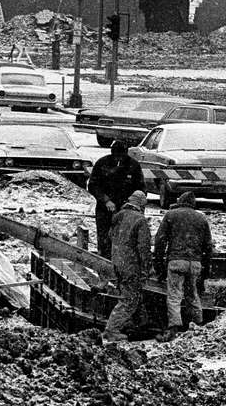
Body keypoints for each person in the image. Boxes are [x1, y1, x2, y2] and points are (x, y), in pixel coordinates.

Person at [153, 191, 213, 341]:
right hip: (195, 263)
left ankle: (174, 328)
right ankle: (199, 326)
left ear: (180, 201)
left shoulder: (171, 215)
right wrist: (205, 270)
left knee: (174, 296)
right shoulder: (201, 218)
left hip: (176, 261)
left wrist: (159, 265)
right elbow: (208, 246)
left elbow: (160, 241)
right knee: (193, 295)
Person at [103, 190, 152, 343]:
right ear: (141, 205)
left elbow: (110, 237)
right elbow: (143, 248)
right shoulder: (140, 220)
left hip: (117, 262)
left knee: (130, 294)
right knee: (129, 299)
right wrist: (146, 269)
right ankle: (111, 330)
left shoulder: (118, 215)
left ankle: (136, 325)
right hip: (131, 265)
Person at [86, 141, 145, 259]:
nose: (119, 158)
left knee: (126, 238)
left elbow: (141, 188)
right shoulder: (102, 163)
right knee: (105, 238)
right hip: (105, 209)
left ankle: (122, 261)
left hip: (127, 209)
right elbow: (93, 185)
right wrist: (105, 200)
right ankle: (105, 259)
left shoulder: (133, 165)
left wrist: (131, 204)